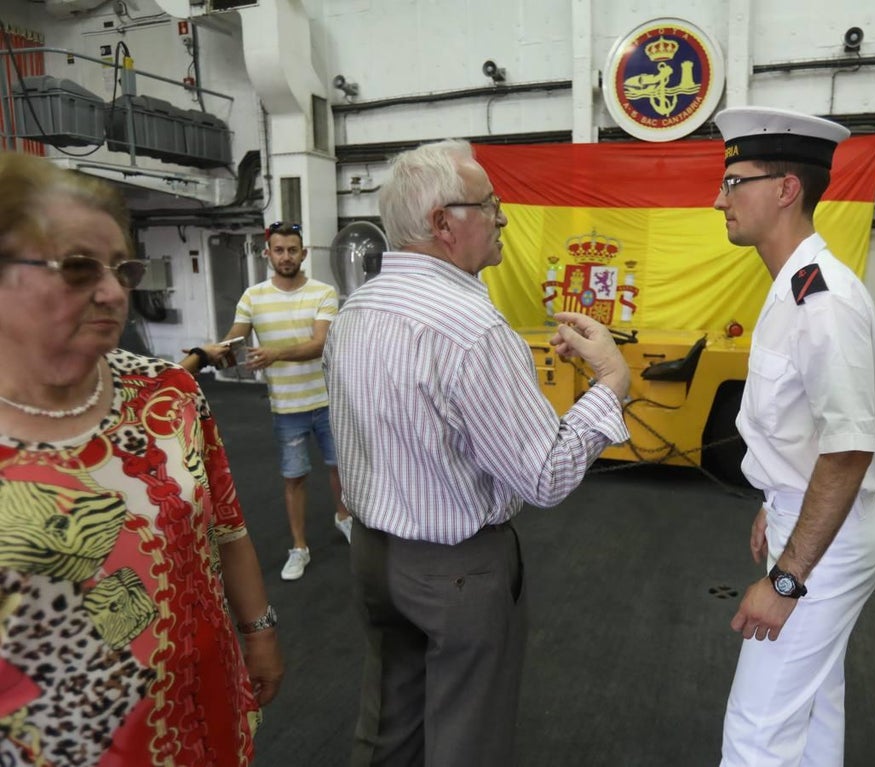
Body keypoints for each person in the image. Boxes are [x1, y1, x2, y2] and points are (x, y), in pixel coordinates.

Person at [324, 139, 631, 767]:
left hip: (373, 554)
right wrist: (611, 385)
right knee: (468, 739)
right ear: (443, 223)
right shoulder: (474, 328)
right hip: (455, 571)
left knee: (388, 727)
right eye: (489, 205)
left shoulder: (357, 308)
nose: (502, 217)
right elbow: (544, 476)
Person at [0, 152, 284, 766]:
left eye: (121, 269)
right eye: (78, 269)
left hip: (203, 701)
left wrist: (258, 631)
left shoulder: (168, 392)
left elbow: (227, 530)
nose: (112, 291)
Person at [712, 107, 875, 766]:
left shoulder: (823, 301)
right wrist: (776, 498)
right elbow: (811, 427)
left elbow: (848, 449)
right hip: (812, 521)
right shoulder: (793, 288)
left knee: (757, 730)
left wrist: (786, 580)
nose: (719, 198)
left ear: (786, 188)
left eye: (735, 182)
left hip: (826, 547)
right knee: (814, 708)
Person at [219, 221, 351, 581]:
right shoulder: (253, 296)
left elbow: (320, 343)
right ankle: (299, 548)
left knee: (341, 468)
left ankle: (344, 518)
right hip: (287, 407)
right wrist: (213, 351)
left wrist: (275, 353)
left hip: (326, 401)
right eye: (279, 250)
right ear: (268, 254)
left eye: (293, 250)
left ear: (303, 253)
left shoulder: (323, 292)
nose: (286, 256)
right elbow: (236, 335)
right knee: (294, 478)